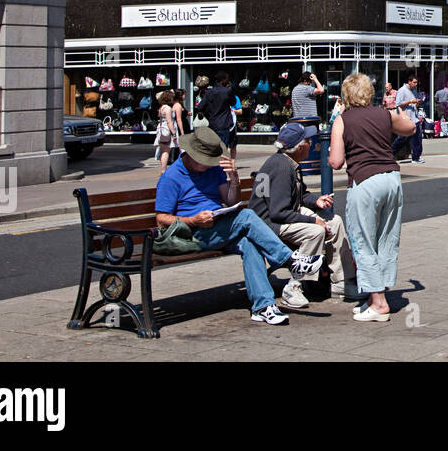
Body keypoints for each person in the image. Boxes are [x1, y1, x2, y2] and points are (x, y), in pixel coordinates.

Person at [154, 123, 324, 325]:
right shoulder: (172, 177)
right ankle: (290, 260)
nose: (210, 164)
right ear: (192, 155)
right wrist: (193, 219)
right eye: (206, 161)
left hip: (218, 227)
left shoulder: (214, 170)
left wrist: (233, 178)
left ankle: (263, 306)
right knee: (247, 217)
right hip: (194, 233)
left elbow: (230, 200)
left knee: (249, 243)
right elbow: (161, 218)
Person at [329, 73, 412, 322]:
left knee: (363, 240)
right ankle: (375, 294)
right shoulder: (383, 114)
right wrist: (395, 109)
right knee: (386, 238)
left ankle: (379, 303)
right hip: (392, 178)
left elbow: (336, 161)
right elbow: (410, 127)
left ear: (346, 96)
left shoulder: (342, 120)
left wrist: (337, 128)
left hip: (364, 180)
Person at [250, 122, 354, 309]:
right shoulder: (282, 167)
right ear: (299, 147)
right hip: (268, 225)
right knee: (315, 232)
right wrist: (313, 220)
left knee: (335, 221)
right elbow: (278, 212)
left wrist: (316, 202)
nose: (311, 143)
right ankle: (294, 287)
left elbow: (300, 195)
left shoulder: (288, 162)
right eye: (307, 140)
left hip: (281, 216)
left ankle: (340, 281)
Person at [198, 72, 238, 162]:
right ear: (223, 80)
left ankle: (214, 166)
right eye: (227, 79)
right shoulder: (227, 91)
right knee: (223, 148)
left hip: (212, 123)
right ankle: (220, 168)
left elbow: (200, 107)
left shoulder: (209, 92)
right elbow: (233, 103)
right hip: (223, 124)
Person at [392, 74, 424, 164]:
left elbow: (414, 103)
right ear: (409, 82)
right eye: (414, 82)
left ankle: (416, 157)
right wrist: (410, 101)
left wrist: (417, 103)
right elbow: (398, 104)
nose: (416, 84)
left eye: (416, 82)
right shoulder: (402, 91)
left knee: (418, 138)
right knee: (402, 138)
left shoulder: (414, 91)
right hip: (405, 118)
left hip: (415, 118)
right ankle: (390, 154)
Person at [155, 90, 182, 176]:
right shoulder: (168, 108)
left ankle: (163, 169)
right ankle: (163, 170)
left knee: (163, 151)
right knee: (166, 152)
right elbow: (169, 122)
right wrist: (173, 133)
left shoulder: (161, 108)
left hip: (161, 131)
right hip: (167, 131)